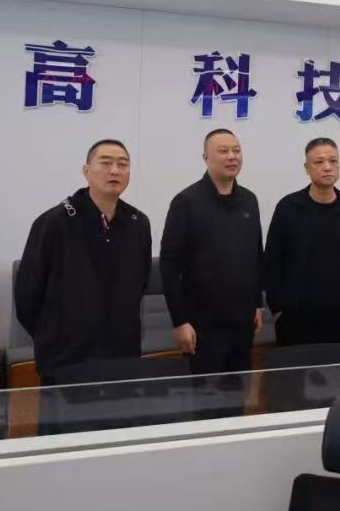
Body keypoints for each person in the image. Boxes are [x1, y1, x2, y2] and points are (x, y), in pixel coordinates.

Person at [15, 139, 152, 385]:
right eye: (106, 163)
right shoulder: (54, 223)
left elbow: (140, 283)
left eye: (123, 164)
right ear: (86, 171)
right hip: (66, 360)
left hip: (122, 357)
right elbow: (27, 296)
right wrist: (53, 336)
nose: (115, 170)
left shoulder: (138, 223)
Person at [160, 129, 263, 376]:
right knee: (206, 395)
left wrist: (257, 304)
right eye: (223, 151)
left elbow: (255, 255)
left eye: (236, 150)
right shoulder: (186, 201)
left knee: (238, 391)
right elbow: (169, 264)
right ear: (205, 158)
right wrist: (180, 321)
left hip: (242, 323)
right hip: (202, 325)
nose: (232, 156)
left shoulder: (249, 200)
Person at [264, 137, 340, 345]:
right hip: (295, 320)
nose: (327, 167)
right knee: (295, 367)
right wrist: (278, 311)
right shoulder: (289, 207)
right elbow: (272, 261)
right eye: (319, 162)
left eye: (333, 161)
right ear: (307, 168)